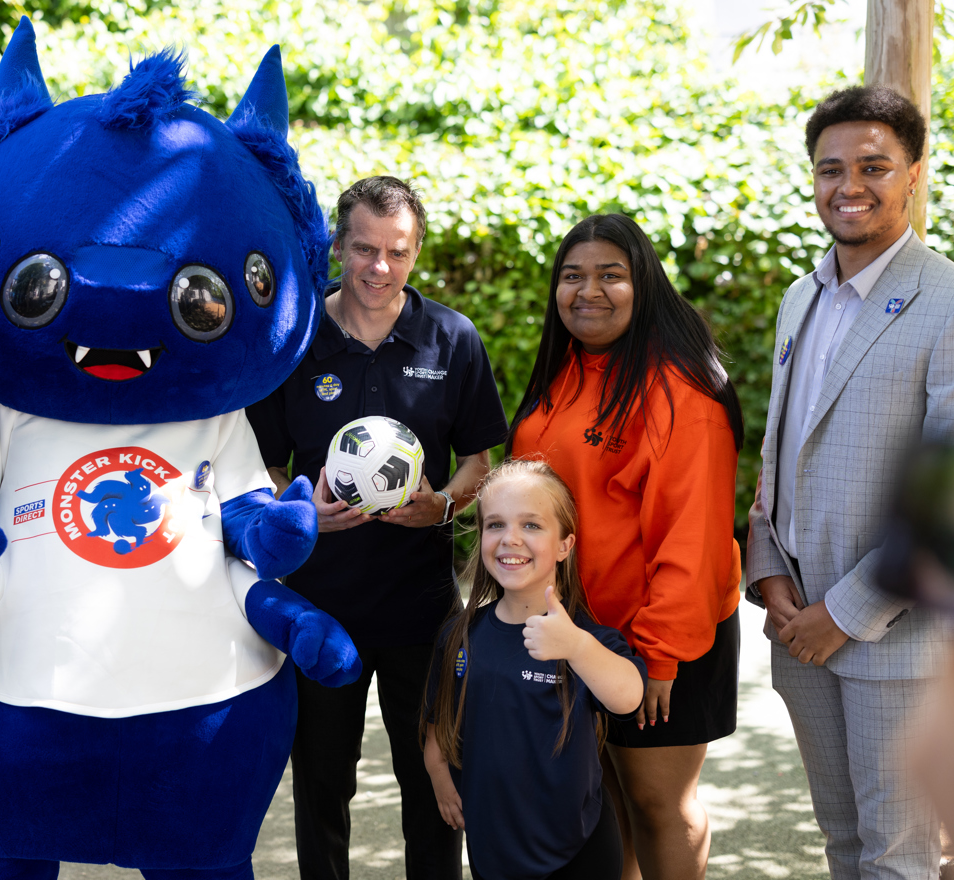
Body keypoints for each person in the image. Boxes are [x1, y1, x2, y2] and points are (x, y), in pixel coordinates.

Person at [746, 85, 954, 879]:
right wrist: (767, 569)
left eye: (873, 166)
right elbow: (780, 453)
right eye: (830, 169)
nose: (848, 185)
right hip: (799, 630)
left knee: (899, 859)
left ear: (914, 173)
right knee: (845, 847)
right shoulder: (798, 298)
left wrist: (844, 615)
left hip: (899, 640)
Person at [246, 175, 509, 880]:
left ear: (416, 252)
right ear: (338, 244)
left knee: (432, 777)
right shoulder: (295, 339)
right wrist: (301, 516)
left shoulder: (452, 339)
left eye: (397, 252)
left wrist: (443, 507)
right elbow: (262, 468)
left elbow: (481, 462)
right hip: (318, 608)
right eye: (364, 249)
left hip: (419, 608)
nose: (379, 268)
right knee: (323, 784)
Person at [509, 213, 744, 880]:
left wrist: (659, 657)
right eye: (573, 276)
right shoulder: (565, 374)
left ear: (644, 286)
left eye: (611, 275)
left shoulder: (681, 392)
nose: (589, 291)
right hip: (579, 633)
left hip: (660, 642)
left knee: (658, 803)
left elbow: (692, 536)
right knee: (605, 802)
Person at [422, 459, 647, 880]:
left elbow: (629, 696)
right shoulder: (460, 634)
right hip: (493, 850)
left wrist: (576, 646)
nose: (510, 539)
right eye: (495, 525)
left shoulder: (587, 638)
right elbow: (439, 717)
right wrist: (438, 772)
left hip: (580, 851)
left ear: (565, 544)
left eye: (531, 526)